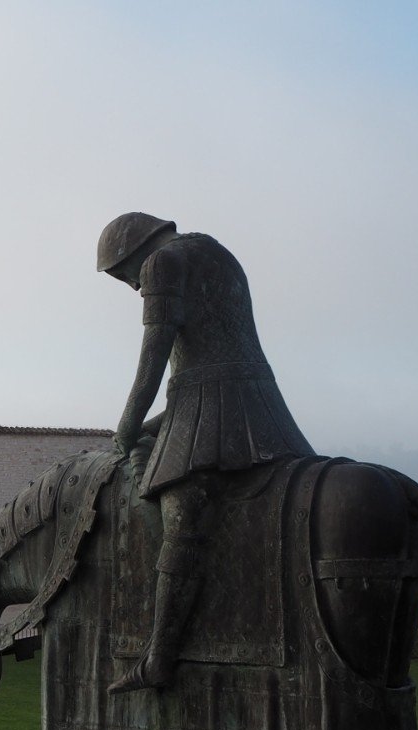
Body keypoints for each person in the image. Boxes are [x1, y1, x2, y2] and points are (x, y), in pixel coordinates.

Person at [95, 212, 315, 694]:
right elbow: (203, 364)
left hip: (216, 405)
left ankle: (159, 658)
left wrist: (129, 423)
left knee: (182, 515)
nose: (132, 287)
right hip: (245, 397)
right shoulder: (214, 250)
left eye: (122, 276)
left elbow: (154, 357)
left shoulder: (162, 264)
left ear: (132, 255)